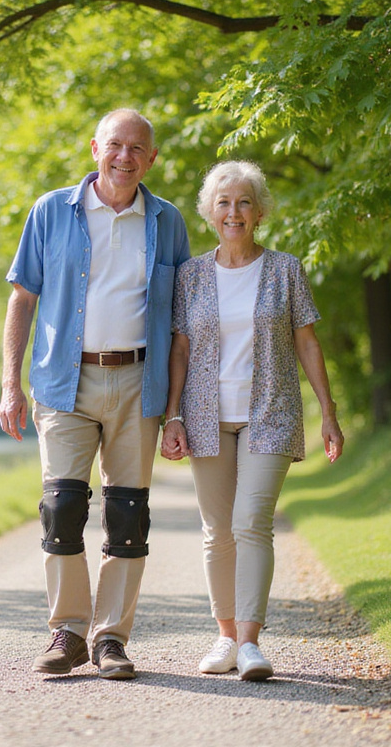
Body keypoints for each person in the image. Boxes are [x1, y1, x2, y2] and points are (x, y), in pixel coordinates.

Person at [0, 109, 191, 680]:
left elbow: (183, 323)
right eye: (115, 145)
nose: (124, 156)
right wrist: (11, 383)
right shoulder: (49, 212)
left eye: (137, 148)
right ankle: (68, 632)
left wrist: (177, 406)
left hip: (139, 381)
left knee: (127, 515)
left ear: (151, 159)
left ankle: (110, 639)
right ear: (94, 149)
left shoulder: (167, 221)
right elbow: (21, 300)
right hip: (64, 379)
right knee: (62, 508)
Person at [160, 159, 343, 682]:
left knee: (250, 523)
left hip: (271, 412)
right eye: (223, 202)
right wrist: (172, 416)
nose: (233, 212)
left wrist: (328, 412)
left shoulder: (285, 269)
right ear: (209, 212)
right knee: (217, 531)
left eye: (243, 202)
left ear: (259, 212)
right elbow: (181, 348)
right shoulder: (191, 275)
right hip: (204, 415)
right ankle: (223, 637)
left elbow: (307, 341)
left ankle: (250, 643)